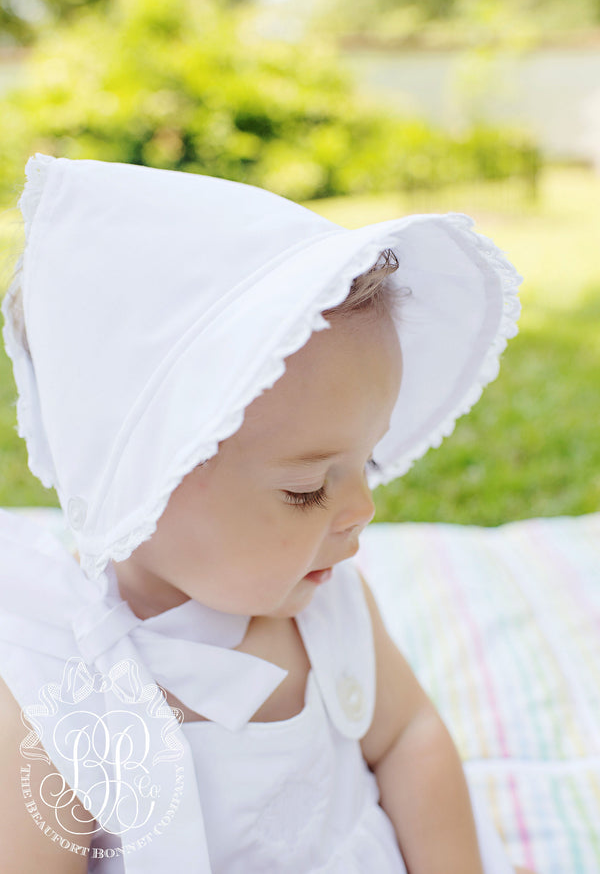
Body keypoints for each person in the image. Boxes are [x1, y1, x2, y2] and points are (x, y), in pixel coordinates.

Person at [0, 153, 536, 874]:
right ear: (142, 481)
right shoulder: (55, 691)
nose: (361, 508)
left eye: (367, 462)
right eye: (308, 488)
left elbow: (409, 736)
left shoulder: (325, 608)